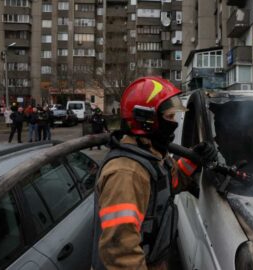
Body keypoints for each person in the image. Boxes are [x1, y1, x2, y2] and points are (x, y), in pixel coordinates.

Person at [91, 77, 218, 270]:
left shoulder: (151, 155)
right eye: (169, 117)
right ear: (147, 121)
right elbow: (120, 253)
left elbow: (169, 184)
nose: (174, 123)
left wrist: (193, 159)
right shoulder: (126, 173)